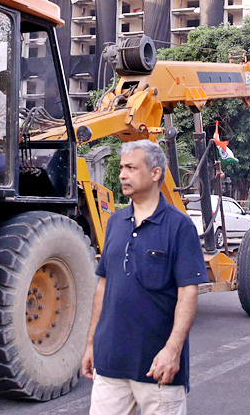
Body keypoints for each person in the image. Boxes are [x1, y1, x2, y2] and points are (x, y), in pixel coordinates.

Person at [82, 139, 208, 415]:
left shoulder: (179, 227)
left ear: (155, 173)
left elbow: (188, 292)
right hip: (110, 363)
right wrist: (92, 344)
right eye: (121, 168)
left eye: (131, 168)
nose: (122, 175)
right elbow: (104, 285)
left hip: (158, 369)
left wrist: (172, 350)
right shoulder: (115, 222)